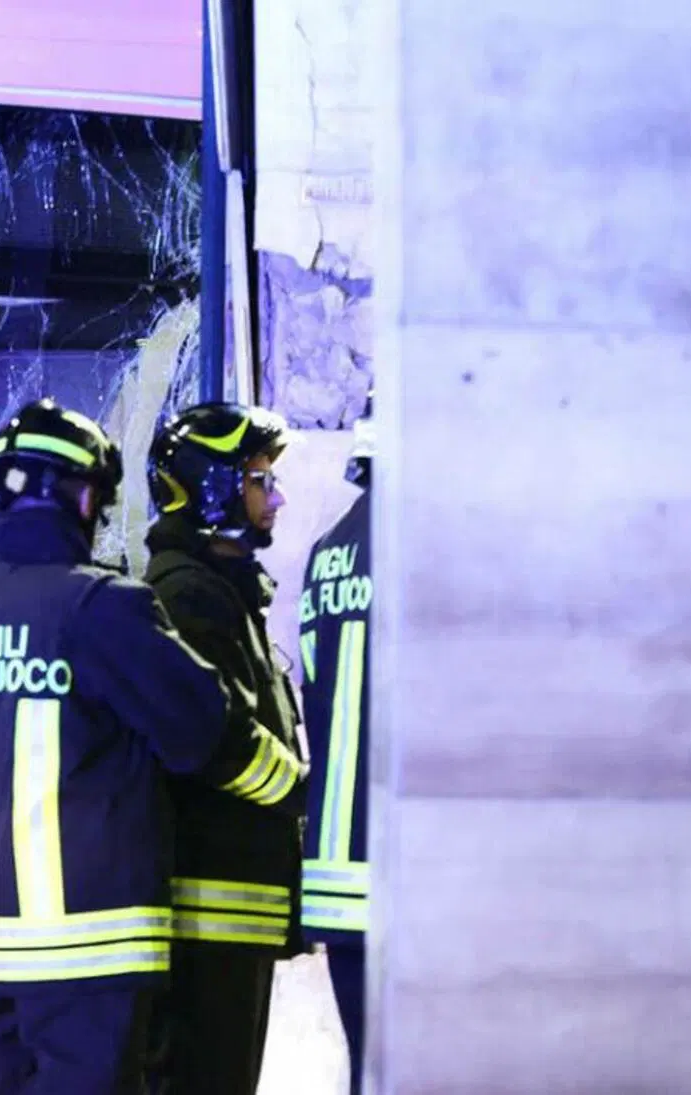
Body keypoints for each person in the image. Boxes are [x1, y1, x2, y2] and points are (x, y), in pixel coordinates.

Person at [0, 398, 305, 1095]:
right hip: (93, 942)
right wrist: (297, 789)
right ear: (86, 497)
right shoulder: (104, 605)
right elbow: (202, 730)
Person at [143, 402, 310, 1095]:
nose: (276, 498)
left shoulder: (220, 592)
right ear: (211, 487)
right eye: (259, 480)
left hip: (230, 913)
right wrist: (302, 791)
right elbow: (214, 738)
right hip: (209, 914)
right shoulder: (187, 596)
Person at [298, 395, 374, 1091]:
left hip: (337, 870)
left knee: (368, 1069)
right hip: (409, 869)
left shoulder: (328, 552)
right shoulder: (433, 545)